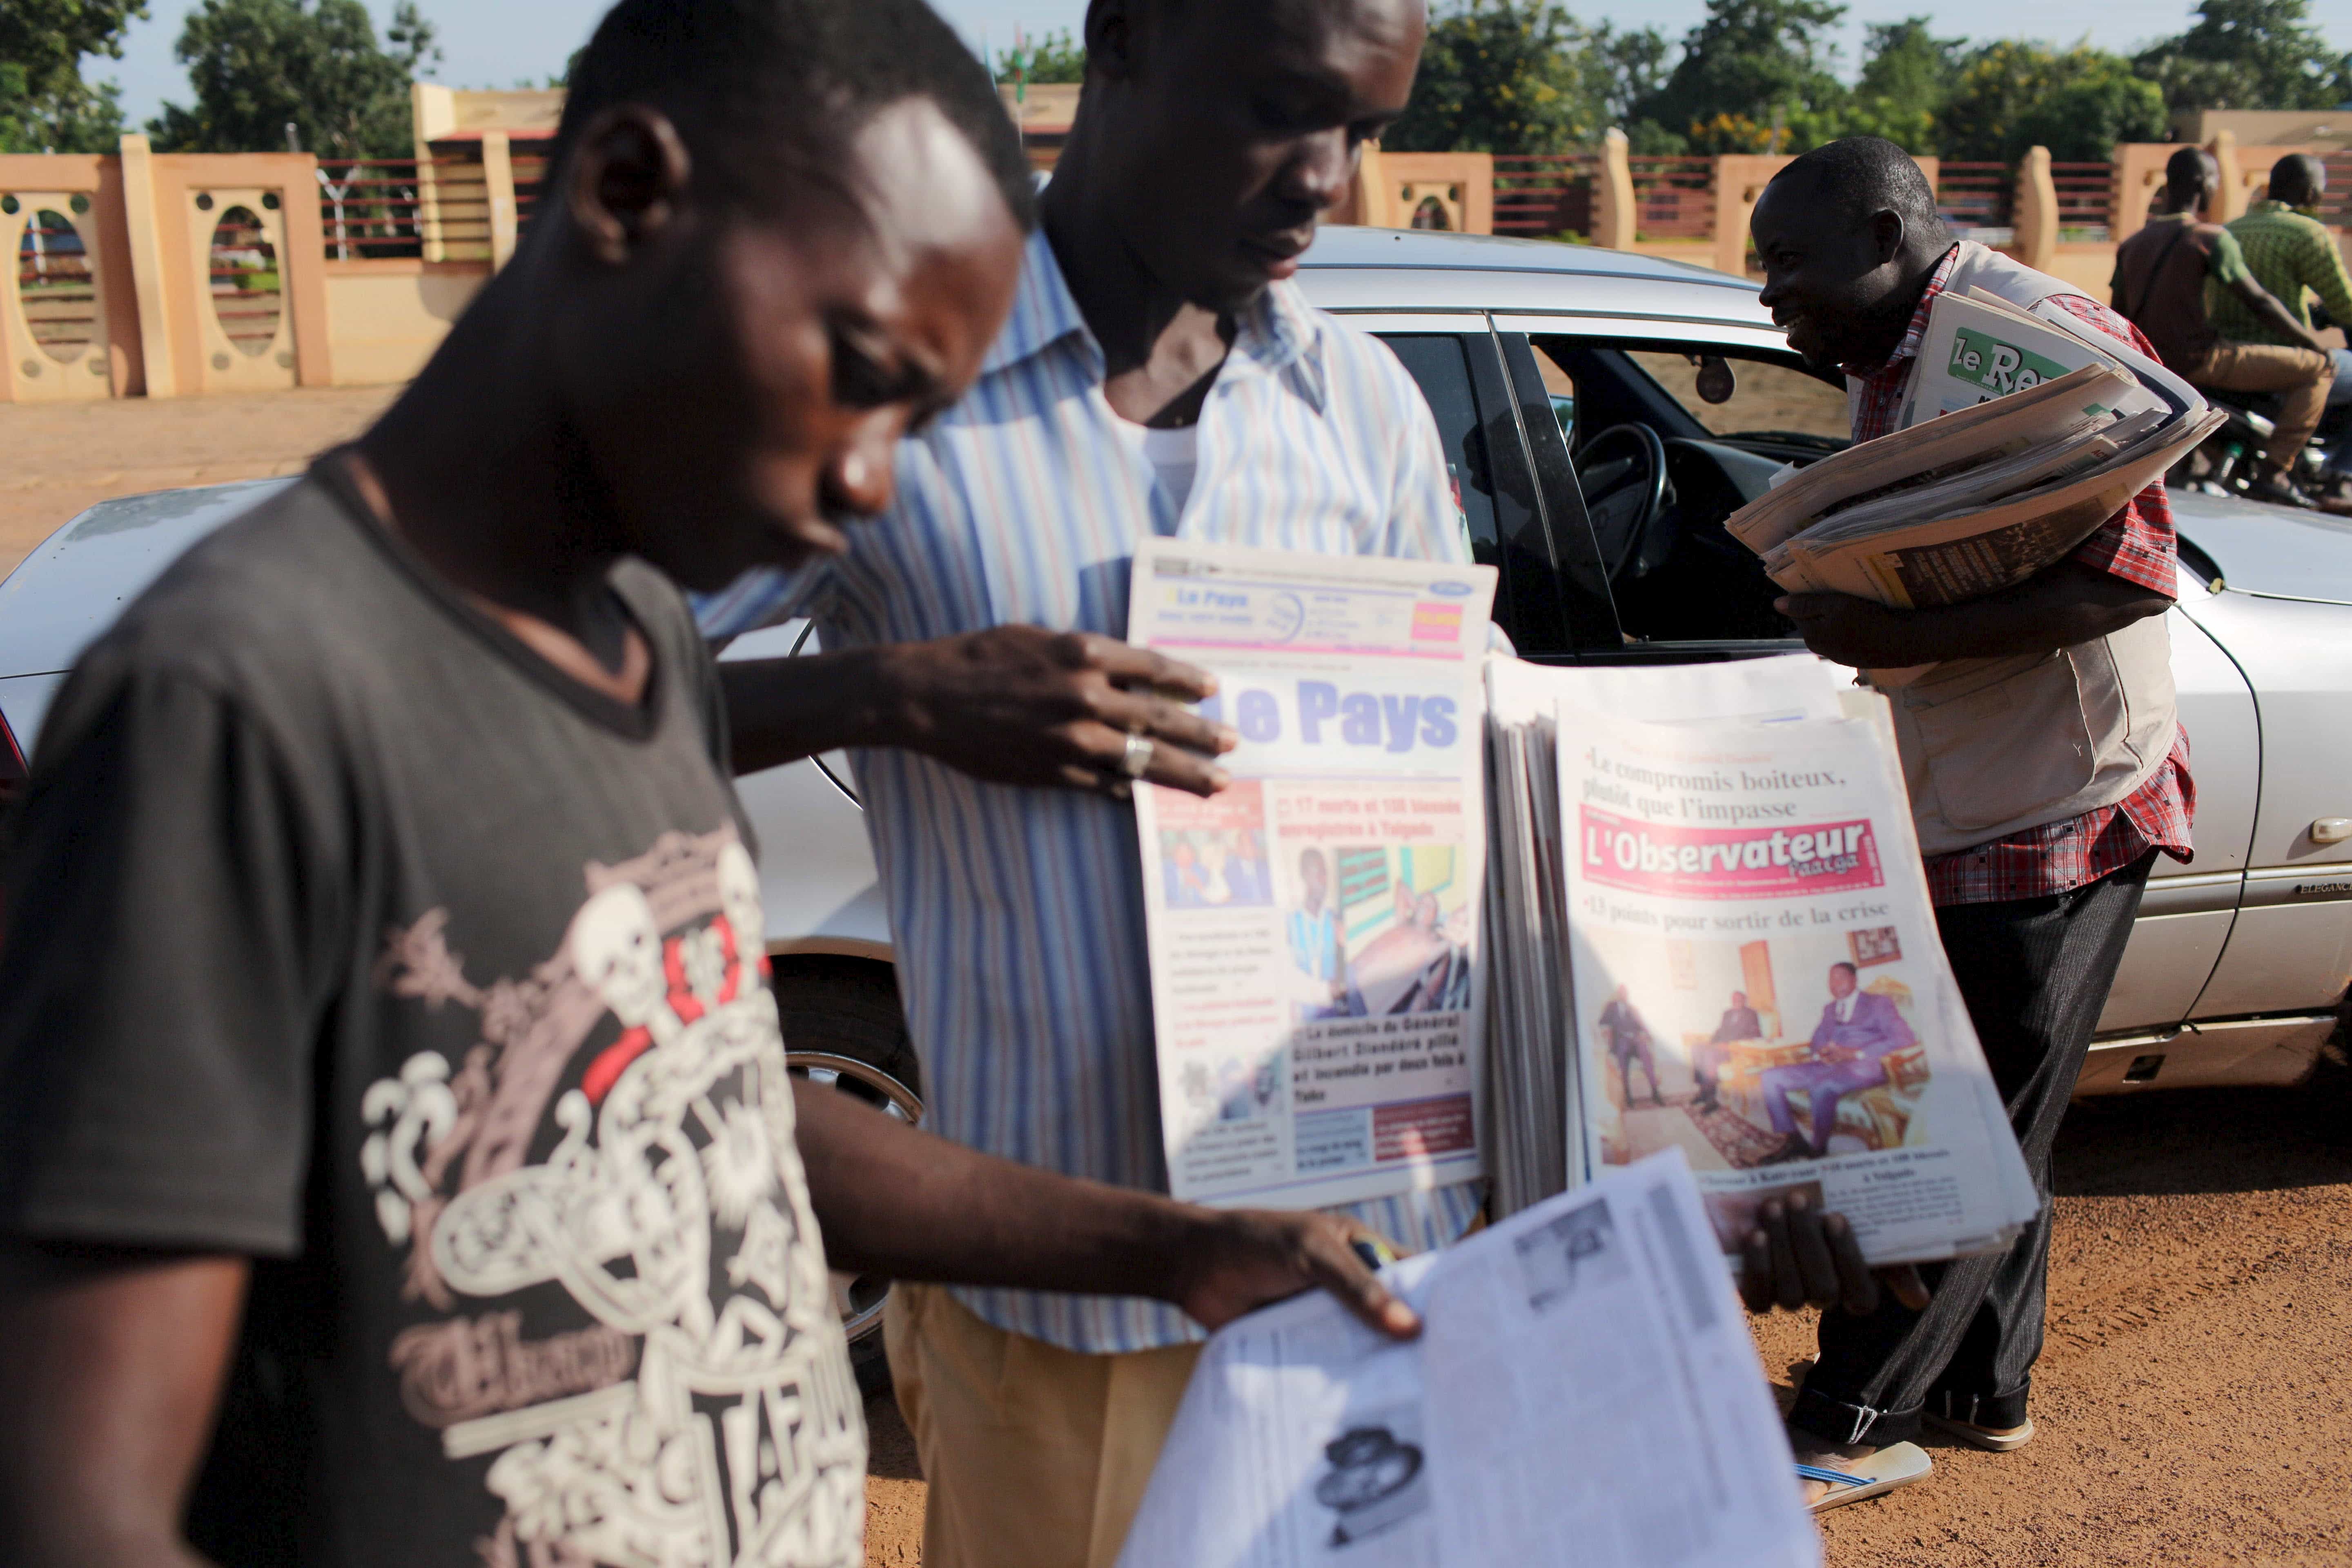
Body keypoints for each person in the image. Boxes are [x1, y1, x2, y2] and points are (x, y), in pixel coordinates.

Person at [0, 5, 1437, 1565]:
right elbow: (78, 1498)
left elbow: (715, 1115)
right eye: (866, 376)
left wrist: (1172, 1250)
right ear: (626, 193)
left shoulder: (635, 661)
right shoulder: (237, 701)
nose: (878, 483)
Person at [1751, 136, 2197, 1508]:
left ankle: (1852, 1416)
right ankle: (1981, 1388)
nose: (1775, 303)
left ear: (1890, 227)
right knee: (2005, 1099)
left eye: (1792, 270)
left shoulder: (2043, 343)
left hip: (2054, 796)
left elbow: (2133, 583)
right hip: (1962, 780)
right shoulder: (1892, 343)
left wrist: (1886, 624)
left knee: (1954, 1120)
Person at [2110, 146, 2334, 508]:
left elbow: (2117, 314)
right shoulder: (2210, 239)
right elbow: (2260, 302)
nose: (2217, 188)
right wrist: (2314, 344)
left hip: (2153, 367)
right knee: (2320, 370)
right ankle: (2275, 471)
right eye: (2215, 179)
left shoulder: (2133, 244)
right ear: (2203, 183)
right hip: (2203, 360)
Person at [2217, 153, 2352, 500]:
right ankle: (2342, 475)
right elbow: (2345, 306)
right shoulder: (2308, 233)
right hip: (2282, 361)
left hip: (2228, 356)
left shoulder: (2231, 228)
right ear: (2309, 193)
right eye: (2320, 190)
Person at [1759, 964, 1918, 1161]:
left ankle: (1818, 1149)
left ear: (1854, 980)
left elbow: (1905, 1037)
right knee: (1770, 1077)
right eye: (1831, 980)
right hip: (1827, 1065)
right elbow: (1817, 1040)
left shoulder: (1878, 1003)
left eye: (1841, 978)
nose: (1835, 984)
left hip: (1862, 1067)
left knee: (1822, 1086)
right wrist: (1822, 1052)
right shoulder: (1830, 1009)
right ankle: (1794, 1139)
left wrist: (1857, 1054)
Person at [1596, 983, 1665, 1109]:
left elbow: (1641, 1026)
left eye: (1626, 993)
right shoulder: (1611, 1007)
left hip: (1635, 1041)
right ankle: (1628, 1095)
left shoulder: (1632, 1009)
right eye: (1621, 992)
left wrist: (1646, 1034)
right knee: (1623, 1053)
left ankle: (1655, 1092)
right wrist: (1607, 1031)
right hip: (1621, 1041)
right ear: (1617, 994)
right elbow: (1602, 1023)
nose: (1624, 995)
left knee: (1644, 1050)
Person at [1693, 989, 1762, 1111]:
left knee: (1709, 1055)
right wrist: (1711, 1043)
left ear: (1744, 1000)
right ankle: (1703, 1091)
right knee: (1697, 1048)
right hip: (1720, 1046)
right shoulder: (1727, 1013)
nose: (1737, 1001)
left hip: (1735, 1049)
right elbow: (1720, 1030)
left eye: (1739, 999)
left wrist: (1730, 1044)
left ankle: (1711, 1099)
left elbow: (1755, 1034)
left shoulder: (1751, 1014)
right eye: (1734, 999)